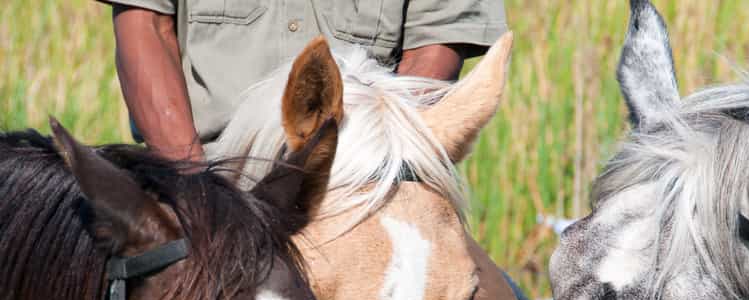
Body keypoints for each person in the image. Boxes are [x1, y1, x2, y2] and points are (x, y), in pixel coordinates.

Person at [100, 1, 508, 160]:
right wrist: (192, 186)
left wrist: (375, 168)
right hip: (205, 167)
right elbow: (147, 27)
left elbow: (434, 47)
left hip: (356, 175)